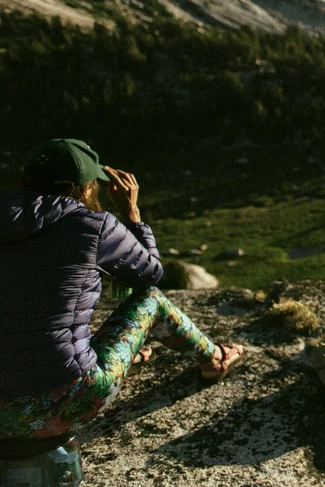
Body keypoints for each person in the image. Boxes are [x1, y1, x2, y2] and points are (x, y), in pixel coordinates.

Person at [0, 139, 245, 440]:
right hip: (65, 401)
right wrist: (132, 215)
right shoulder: (93, 226)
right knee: (150, 301)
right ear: (84, 187)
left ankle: (130, 352)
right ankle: (215, 359)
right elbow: (149, 275)